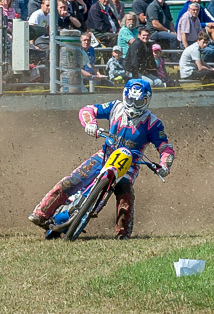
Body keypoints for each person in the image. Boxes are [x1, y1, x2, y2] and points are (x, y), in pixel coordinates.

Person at [29, 79, 174, 239]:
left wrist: (164, 165)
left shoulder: (153, 123)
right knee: (72, 180)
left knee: (125, 192)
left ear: (147, 100)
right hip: (104, 155)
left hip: (130, 164)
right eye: (131, 100)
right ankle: (41, 213)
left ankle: (122, 232)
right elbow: (88, 109)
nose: (133, 104)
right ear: (125, 96)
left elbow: (165, 147)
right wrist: (90, 124)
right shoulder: (115, 107)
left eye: (139, 101)